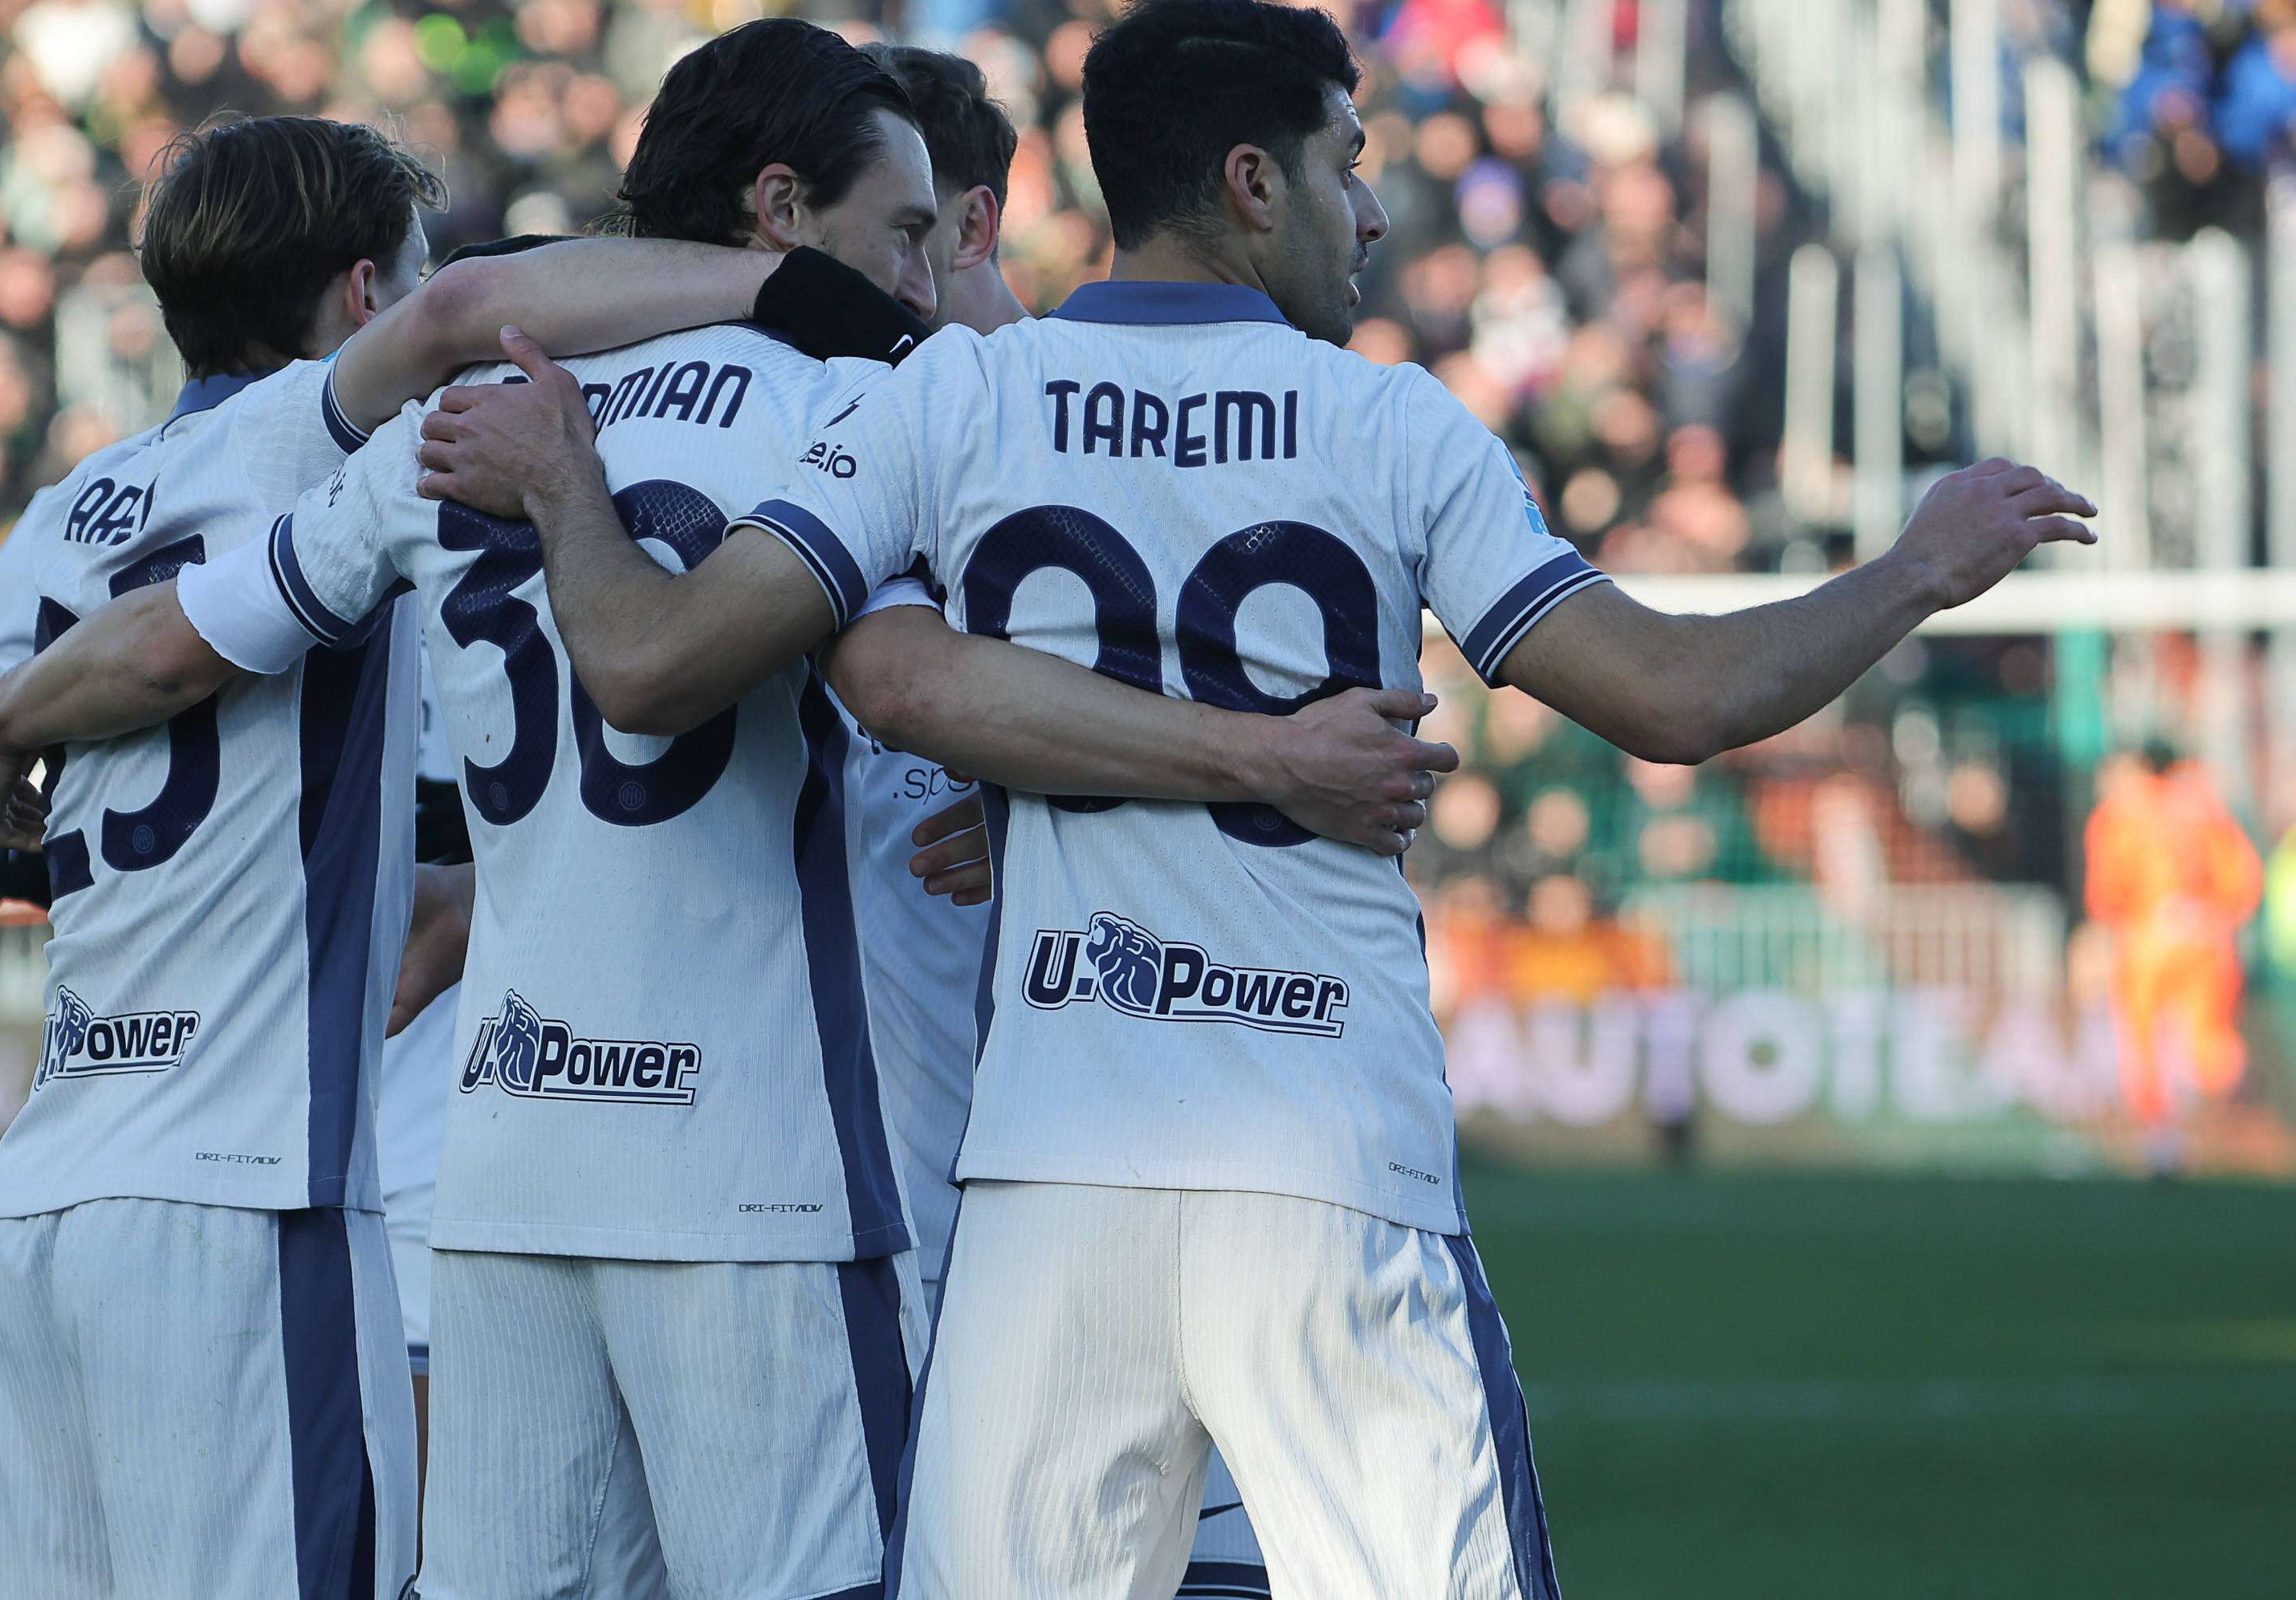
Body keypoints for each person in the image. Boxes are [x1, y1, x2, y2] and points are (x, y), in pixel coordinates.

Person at [404, 2, 2099, 1592]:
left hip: (1051, 1184)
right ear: (1247, 182)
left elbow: (772, 664)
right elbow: (1679, 696)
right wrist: (1916, 569)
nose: (1367, 216)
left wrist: (568, 489)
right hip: (1317, 1150)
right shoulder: (1388, 422)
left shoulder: (962, 394)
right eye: (1348, 166)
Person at [0, 22, 1447, 1598]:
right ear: (779, 210)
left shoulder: (460, 425)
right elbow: (937, 672)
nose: (918, 281)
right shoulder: (875, 401)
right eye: (895, 233)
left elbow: (185, 633)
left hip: (512, 1181)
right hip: (770, 1185)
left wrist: (9, 720)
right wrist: (1221, 758)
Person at [0, 111, 957, 1600]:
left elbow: (100, 702)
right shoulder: (353, 429)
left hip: (73, 1174)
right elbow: (478, 318)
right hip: (281, 1178)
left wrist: (9, 713)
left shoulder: (71, 511)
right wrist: (796, 291)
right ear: (365, 299)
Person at [854, 42, 1283, 1598]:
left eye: (898, 235)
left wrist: (1054, 764)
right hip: (1030, 1159)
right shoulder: (886, 422)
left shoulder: (963, 420)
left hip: (1052, 1161)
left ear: (965, 227)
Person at [2084, 741, 2264, 1164]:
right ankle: (2224, 1116)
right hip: (2200, 943)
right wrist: (2214, 918)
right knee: (2204, 1046)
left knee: (2154, 1044)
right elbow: (2241, 880)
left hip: (2151, 944)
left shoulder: (2120, 817)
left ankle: (2175, 1133)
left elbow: (2107, 893)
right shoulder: (2201, 806)